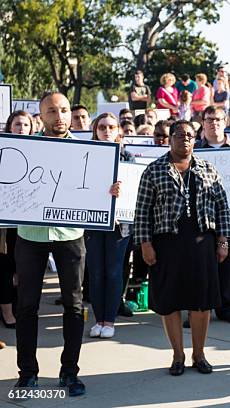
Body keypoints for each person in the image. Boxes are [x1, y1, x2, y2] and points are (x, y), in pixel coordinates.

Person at [12, 92, 116, 396]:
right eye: (52, 111)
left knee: (73, 305)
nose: (59, 117)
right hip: (30, 235)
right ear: (40, 116)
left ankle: (70, 372)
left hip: (69, 235)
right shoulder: (25, 149)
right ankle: (27, 373)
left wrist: (110, 190)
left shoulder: (88, 151)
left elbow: (99, 191)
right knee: (27, 306)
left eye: (64, 110)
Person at [134, 119, 230, 376]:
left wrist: (223, 242)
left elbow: (223, 208)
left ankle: (198, 354)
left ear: (195, 139)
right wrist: (145, 244)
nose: (185, 139)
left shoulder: (208, 169)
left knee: (201, 303)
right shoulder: (154, 170)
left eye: (189, 135)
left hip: (202, 245)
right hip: (166, 245)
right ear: (169, 139)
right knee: (170, 302)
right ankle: (178, 355)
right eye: (179, 135)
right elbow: (142, 211)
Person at [196, 106, 230, 324]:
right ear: (203, 122)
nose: (214, 123)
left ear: (225, 120)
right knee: (202, 266)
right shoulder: (194, 150)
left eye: (218, 119)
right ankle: (200, 308)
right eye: (209, 119)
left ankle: (227, 306)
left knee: (228, 266)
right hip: (201, 220)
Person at [86, 113, 129, 339]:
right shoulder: (87, 156)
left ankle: (109, 321)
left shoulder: (128, 157)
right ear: (95, 130)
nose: (106, 130)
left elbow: (135, 190)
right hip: (94, 223)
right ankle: (98, 319)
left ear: (118, 130)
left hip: (120, 226)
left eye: (111, 126)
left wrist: (122, 192)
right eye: (102, 127)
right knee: (95, 272)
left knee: (113, 272)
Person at [1, 111, 35, 330]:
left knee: (23, 267)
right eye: (17, 124)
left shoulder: (40, 150)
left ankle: (20, 307)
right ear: (10, 127)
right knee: (4, 265)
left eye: (25, 124)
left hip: (29, 222)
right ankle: (7, 311)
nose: (21, 128)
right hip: (5, 223)